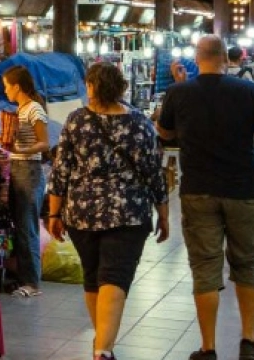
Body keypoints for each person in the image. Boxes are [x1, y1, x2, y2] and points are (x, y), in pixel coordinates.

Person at [157, 35, 254, 360]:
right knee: (246, 264)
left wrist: (179, 88)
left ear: (196, 57)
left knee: (205, 268)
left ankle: (208, 347)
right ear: (225, 58)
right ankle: (248, 340)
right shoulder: (247, 91)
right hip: (243, 190)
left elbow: (164, 133)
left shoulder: (179, 92)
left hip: (197, 192)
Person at [48, 63, 170, 360]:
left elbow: (61, 171)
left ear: (91, 86)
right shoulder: (140, 122)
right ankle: (103, 349)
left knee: (93, 277)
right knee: (114, 277)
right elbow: (155, 172)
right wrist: (163, 213)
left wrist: (53, 214)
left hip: (82, 212)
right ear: (121, 88)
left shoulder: (77, 120)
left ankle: (103, 346)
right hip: (130, 213)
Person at [0, 65, 51, 297]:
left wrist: (23, 149)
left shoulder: (34, 109)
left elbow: (44, 143)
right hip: (18, 168)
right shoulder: (21, 109)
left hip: (29, 170)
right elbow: (11, 140)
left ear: (17, 87)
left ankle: (32, 283)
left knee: (27, 228)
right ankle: (23, 278)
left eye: (7, 86)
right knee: (20, 226)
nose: (5, 91)